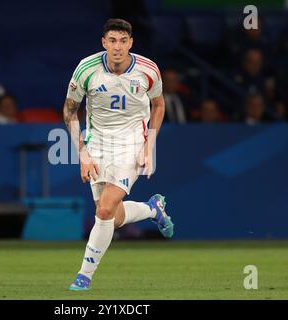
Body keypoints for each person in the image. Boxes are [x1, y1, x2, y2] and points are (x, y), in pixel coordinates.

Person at [63, 18, 174, 291]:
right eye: (112, 41)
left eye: (123, 41)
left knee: (103, 210)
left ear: (131, 43)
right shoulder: (86, 69)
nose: (118, 47)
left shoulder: (148, 70)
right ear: (104, 43)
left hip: (131, 144)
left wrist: (149, 144)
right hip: (97, 144)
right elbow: (69, 111)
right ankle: (152, 209)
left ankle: (84, 275)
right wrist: (83, 154)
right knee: (113, 215)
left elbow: (158, 106)